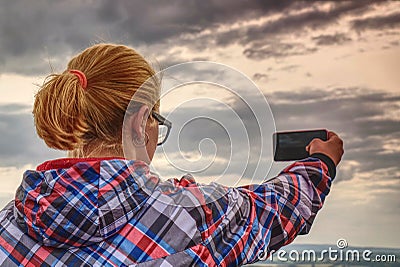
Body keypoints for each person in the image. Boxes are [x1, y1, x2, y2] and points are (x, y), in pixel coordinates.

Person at [0, 44, 343, 267]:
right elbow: (274, 210)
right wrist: (321, 162)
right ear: (139, 122)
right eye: (157, 119)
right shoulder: (191, 216)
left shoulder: (8, 225)